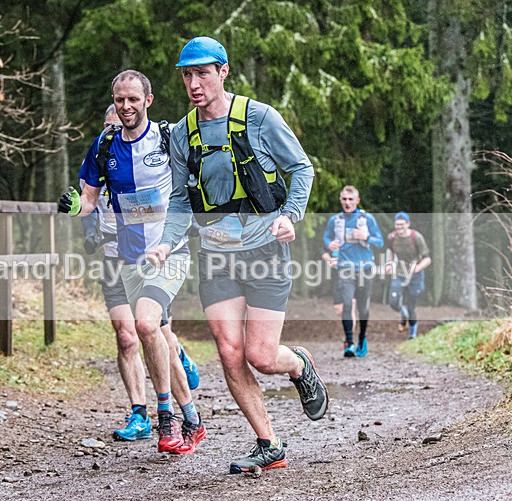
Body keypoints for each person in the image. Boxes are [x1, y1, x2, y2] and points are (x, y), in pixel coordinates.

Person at [146, 36, 329, 474]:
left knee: (261, 356)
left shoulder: (260, 118)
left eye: (203, 73)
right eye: (187, 75)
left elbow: (301, 168)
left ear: (223, 72)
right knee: (230, 352)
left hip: (265, 249)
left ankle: (299, 363)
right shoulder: (183, 134)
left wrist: (291, 215)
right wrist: (167, 241)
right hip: (216, 255)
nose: (194, 83)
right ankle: (269, 444)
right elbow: (178, 200)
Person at [61, 70, 206, 455]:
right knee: (157, 336)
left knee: (144, 325)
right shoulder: (104, 145)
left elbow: (199, 178)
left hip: (168, 253)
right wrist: (75, 206)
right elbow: (89, 201)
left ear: (148, 101)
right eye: (120, 100)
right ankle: (191, 417)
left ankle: (165, 418)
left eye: (133, 100)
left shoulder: (167, 136)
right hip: (127, 259)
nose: (126, 106)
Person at [322, 185, 383, 357]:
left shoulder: (367, 219)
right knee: (347, 303)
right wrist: (330, 244)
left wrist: (366, 237)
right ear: (340, 200)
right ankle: (349, 342)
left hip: (365, 268)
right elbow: (327, 237)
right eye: (344, 199)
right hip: (345, 268)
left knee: (363, 307)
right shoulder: (335, 220)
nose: (347, 202)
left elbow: (379, 242)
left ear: (357, 200)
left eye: (350, 199)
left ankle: (362, 337)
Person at [385, 212, 431, 338]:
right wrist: (389, 264)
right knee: (393, 302)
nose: (399, 228)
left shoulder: (416, 237)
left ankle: (413, 334)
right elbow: (390, 250)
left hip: (415, 275)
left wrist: (418, 267)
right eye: (397, 225)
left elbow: (427, 259)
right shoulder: (392, 238)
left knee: (411, 305)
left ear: (408, 224)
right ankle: (403, 314)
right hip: (399, 273)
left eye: (402, 225)